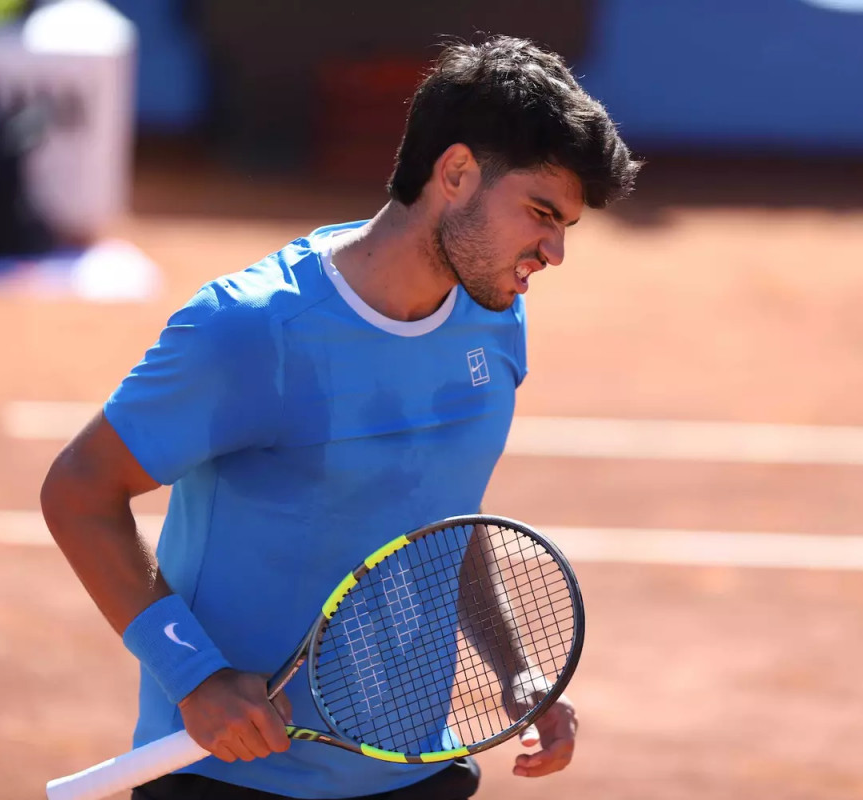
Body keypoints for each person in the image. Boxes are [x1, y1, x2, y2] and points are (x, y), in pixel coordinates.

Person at [40, 34, 640, 800]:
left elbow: (445, 522)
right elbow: (79, 490)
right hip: (232, 781)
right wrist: (196, 676)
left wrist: (515, 667)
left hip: (412, 769)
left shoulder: (495, 319)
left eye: (565, 227)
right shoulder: (251, 331)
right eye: (539, 212)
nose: (553, 251)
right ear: (455, 173)